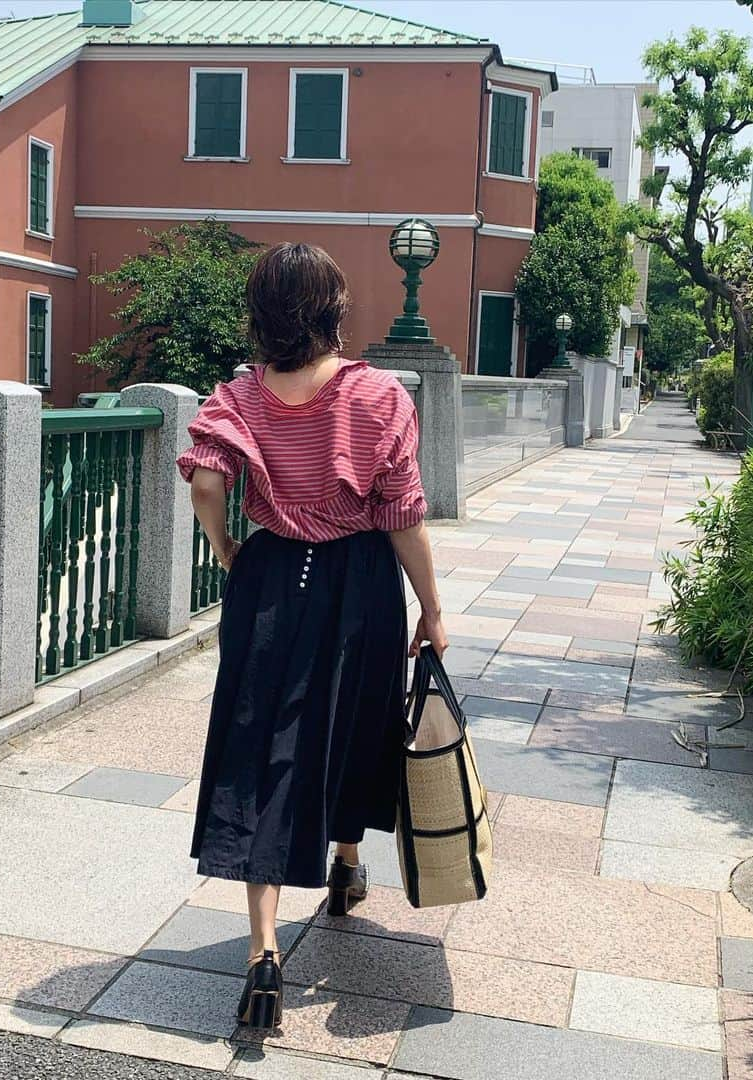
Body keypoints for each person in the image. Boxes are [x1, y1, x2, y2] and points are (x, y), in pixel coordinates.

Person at [175, 242, 448, 1031]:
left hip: (268, 582)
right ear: (335, 309)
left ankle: (263, 951)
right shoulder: (378, 396)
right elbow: (404, 517)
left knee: (260, 752)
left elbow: (204, 482)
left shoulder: (239, 398)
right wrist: (432, 608)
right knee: (354, 728)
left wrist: (229, 550)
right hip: (358, 583)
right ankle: (346, 865)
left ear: (260, 315)